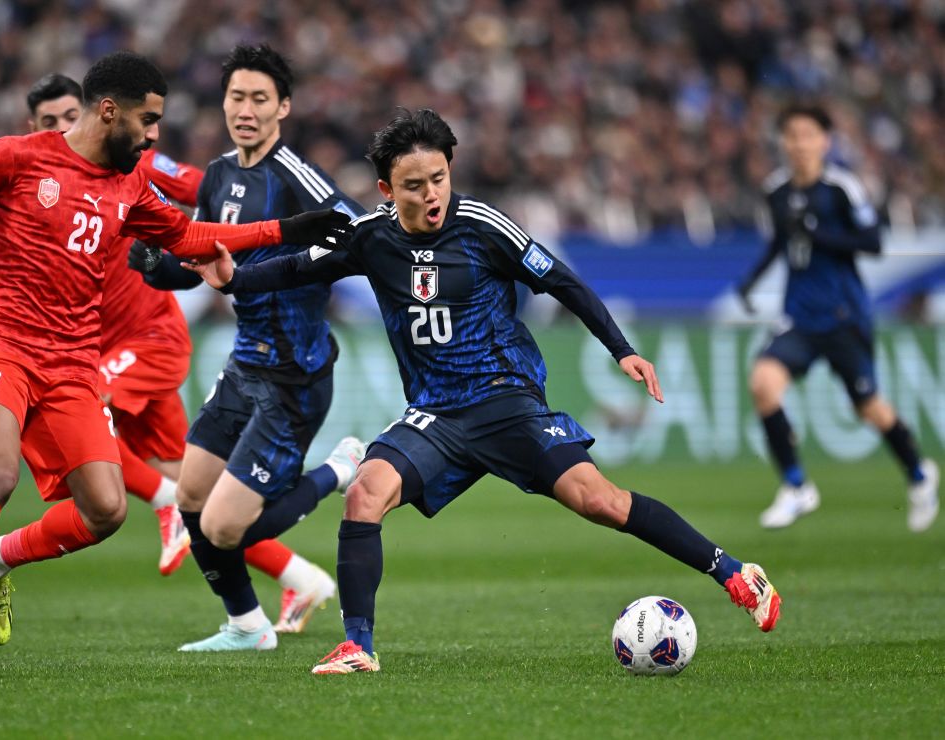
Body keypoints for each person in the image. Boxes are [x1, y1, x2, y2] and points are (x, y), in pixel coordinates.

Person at [194, 108, 782, 675]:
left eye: (439, 179)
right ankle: (358, 645)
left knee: (599, 501)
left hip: (505, 399)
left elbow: (563, 281)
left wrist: (622, 349)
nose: (431, 195)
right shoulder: (369, 236)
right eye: (414, 185)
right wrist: (236, 277)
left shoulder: (482, 226)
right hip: (435, 413)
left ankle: (732, 571)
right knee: (365, 494)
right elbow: (299, 267)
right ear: (385, 187)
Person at [0, 50, 352, 674]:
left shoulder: (130, 183)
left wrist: (287, 229)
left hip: (75, 362)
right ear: (111, 112)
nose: (156, 135)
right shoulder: (17, 157)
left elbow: (188, 238)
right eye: (149, 120)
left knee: (104, 511)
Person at [28, 74, 331, 590]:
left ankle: (167, 506)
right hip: (101, 345)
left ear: (96, 113)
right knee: (197, 495)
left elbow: (204, 190)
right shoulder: (34, 181)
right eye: (48, 123)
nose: (62, 128)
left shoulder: (135, 162)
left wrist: (255, 217)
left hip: (150, 340)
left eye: (68, 116)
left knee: (72, 416)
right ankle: (300, 580)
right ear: (33, 129)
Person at [130, 44, 366, 649]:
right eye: (238, 96)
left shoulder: (299, 178)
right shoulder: (218, 175)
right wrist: (159, 268)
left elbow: (362, 234)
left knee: (223, 524)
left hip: (295, 376)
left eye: (261, 98)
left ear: (283, 107)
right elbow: (204, 258)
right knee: (189, 496)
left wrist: (313, 266)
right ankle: (247, 625)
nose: (247, 109)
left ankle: (338, 470)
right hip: (244, 365)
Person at [738, 104, 939, 532]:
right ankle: (796, 486)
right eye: (791, 135)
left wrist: (819, 233)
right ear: (783, 142)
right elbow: (781, 242)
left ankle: (920, 476)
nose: (799, 143)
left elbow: (873, 242)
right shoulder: (776, 191)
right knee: (763, 384)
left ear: (825, 141)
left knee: (869, 407)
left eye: (808, 135)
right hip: (798, 316)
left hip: (844, 315)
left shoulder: (841, 188)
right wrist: (751, 281)